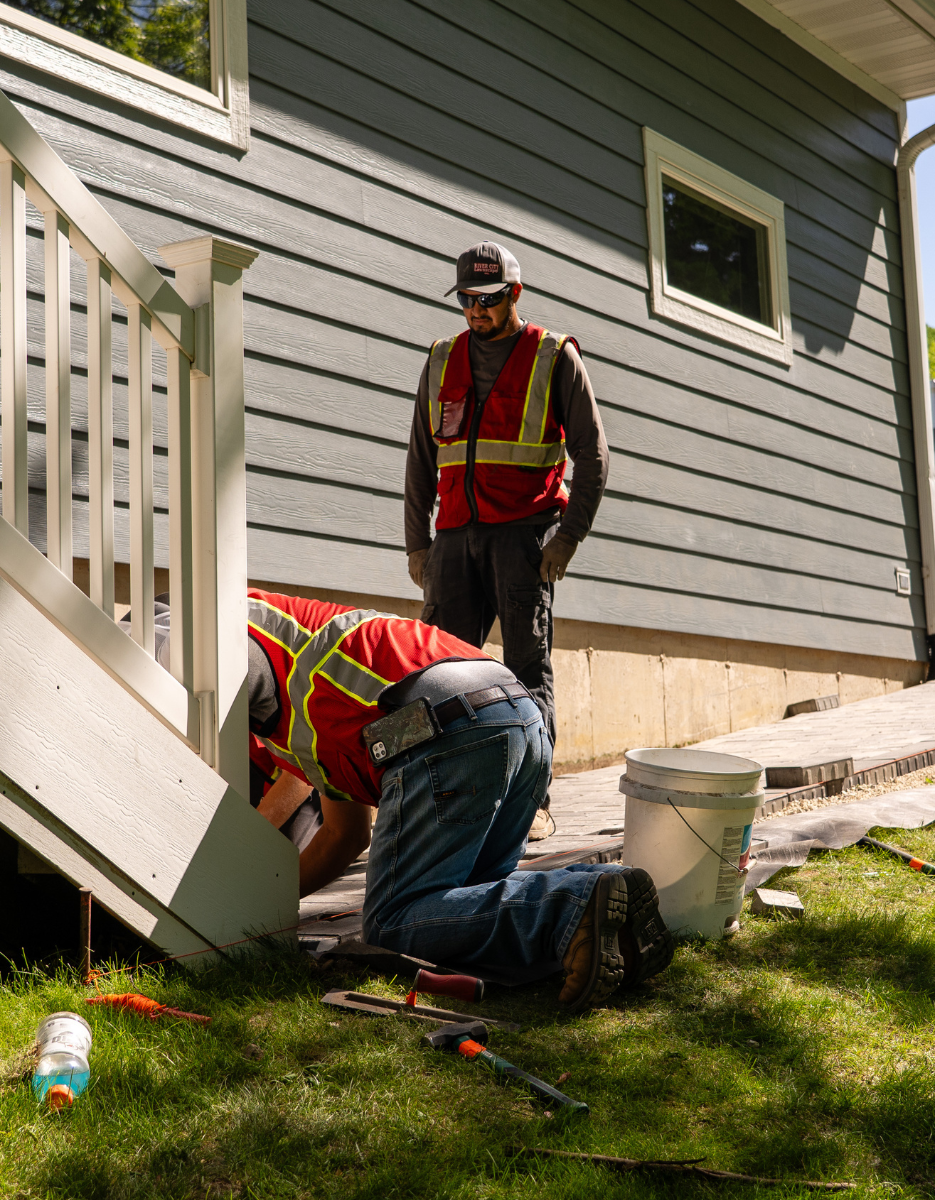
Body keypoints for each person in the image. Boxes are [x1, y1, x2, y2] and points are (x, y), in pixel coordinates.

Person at [246, 588, 672, 1010]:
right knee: (460, 907)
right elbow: (345, 833)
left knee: (391, 923)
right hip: (519, 716)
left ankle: (571, 902)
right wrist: (256, 907)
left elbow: (207, 671)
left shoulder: (208, 625)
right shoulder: (312, 710)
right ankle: (613, 929)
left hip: (449, 724)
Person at [404, 242, 608, 838]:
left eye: (488, 301)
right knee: (435, 671)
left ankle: (532, 802)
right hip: (453, 540)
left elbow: (593, 456)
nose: (476, 311)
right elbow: (420, 456)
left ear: (514, 295)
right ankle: (435, 802)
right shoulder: (441, 359)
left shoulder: (553, 356)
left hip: (524, 541)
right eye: (467, 300)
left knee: (525, 670)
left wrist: (568, 538)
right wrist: (418, 543)